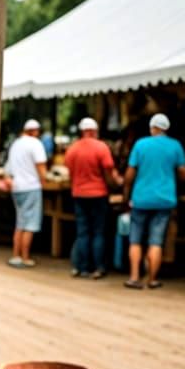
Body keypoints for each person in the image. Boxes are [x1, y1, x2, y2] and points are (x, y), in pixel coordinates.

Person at [123, 113, 185, 289]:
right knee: (156, 241)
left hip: (141, 199)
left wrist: (126, 191)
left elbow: (130, 173)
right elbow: (184, 173)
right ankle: (152, 279)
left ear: (152, 128)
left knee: (135, 240)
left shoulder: (140, 144)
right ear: (166, 128)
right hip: (165, 200)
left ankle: (134, 277)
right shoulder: (175, 146)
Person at [64, 117, 122, 279]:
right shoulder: (101, 147)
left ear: (82, 131)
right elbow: (108, 173)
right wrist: (115, 185)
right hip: (98, 194)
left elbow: (70, 172)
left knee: (82, 232)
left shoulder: (72, 149)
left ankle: (81, 267)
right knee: (98, 232)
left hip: (79, 194)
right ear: (94, 131)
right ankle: (98, 268)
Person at [4, 118, 47, 268]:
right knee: (30, 224)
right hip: (31, 187)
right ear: (35, 131)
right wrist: (44, 180)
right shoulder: (35, 144)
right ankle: (25, 256)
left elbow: (7, 170)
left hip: (17, 187)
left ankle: (15, 255)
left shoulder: (16, 144)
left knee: (20, 222)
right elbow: (41, 167)